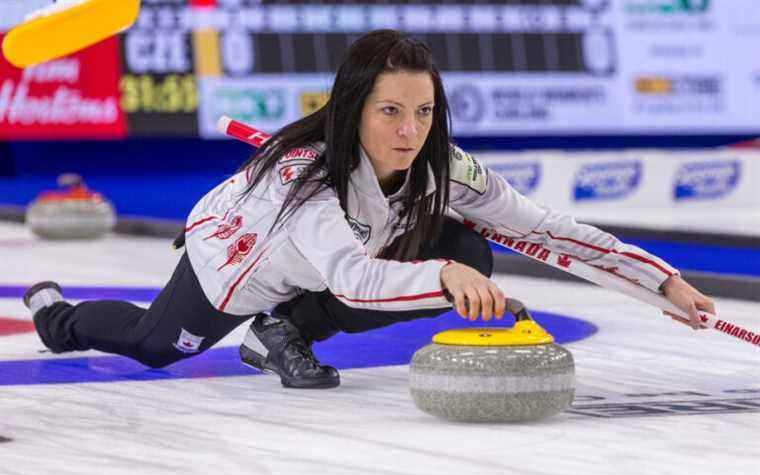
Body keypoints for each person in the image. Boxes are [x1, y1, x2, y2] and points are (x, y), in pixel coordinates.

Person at [23, 30, 715, 389]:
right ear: (355, 108)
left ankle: (282, 333)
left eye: (423, 112)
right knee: (154, 346)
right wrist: (441, 276)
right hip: (235, 260)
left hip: (332, 259)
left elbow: (544, 230)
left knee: (470, 248)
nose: (410, 131)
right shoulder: (306, 185)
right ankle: (57, 316)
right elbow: (353, 278)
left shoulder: (441, 166)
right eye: (390, 111)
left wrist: (662, 282)